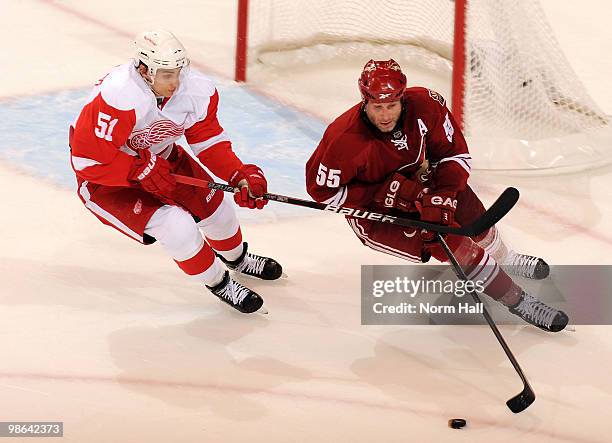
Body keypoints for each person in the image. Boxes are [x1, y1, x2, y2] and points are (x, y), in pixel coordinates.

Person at [306, 59, 568, 332]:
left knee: (465, 205)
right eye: (377, 107)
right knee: (445, 238)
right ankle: (517, 299)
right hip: (377, 214)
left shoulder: (425, 105)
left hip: (418, 182)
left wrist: (443, 195)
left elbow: (455, 154)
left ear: (402, 98)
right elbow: (321, 193)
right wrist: (386, 194)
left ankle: (507, 260)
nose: (385, 115)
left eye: (391, 106)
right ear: (365, 102)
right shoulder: (343, 139)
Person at [69, 29, 281, 314]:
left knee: (219, 212)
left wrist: (238, 174)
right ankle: (220, 282)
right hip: (109, 181)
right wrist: (135, 169)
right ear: (144, 70)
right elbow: (87, 161)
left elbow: (208, 139)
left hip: (162, 160)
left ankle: (238, 260)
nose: (176, 82)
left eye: (179, 72)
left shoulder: (196, 90)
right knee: (177, 227)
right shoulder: (118, 96)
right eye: (167, 75)